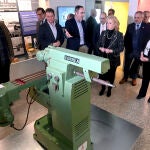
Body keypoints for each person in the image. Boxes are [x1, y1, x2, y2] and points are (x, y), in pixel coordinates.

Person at [97, 15, 124, 97]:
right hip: (103, 59)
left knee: (111, 76)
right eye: (107, 23)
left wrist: (111, 51)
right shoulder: (103, 33)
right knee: (102, 75)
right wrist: (100, 48)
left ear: (115, 24)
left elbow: (121, 48)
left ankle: (109, 89)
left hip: (113, 60)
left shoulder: (119, 35)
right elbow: (98, 43)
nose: (107, 24)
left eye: (110, 23)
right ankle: (103, 87)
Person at [119, 11, 148, 86]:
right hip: (130, 50)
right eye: (135, 17)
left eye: (138, 18)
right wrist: (126, 47)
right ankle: (125, 77)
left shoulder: (147, 27)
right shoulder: (130, 26)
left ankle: (134, 78)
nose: (136, 19)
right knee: (126, 65)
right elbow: (126, 38)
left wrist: (144, 51)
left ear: (142, 18)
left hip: (139, 52)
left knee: (136, 66)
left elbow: (147, 40)